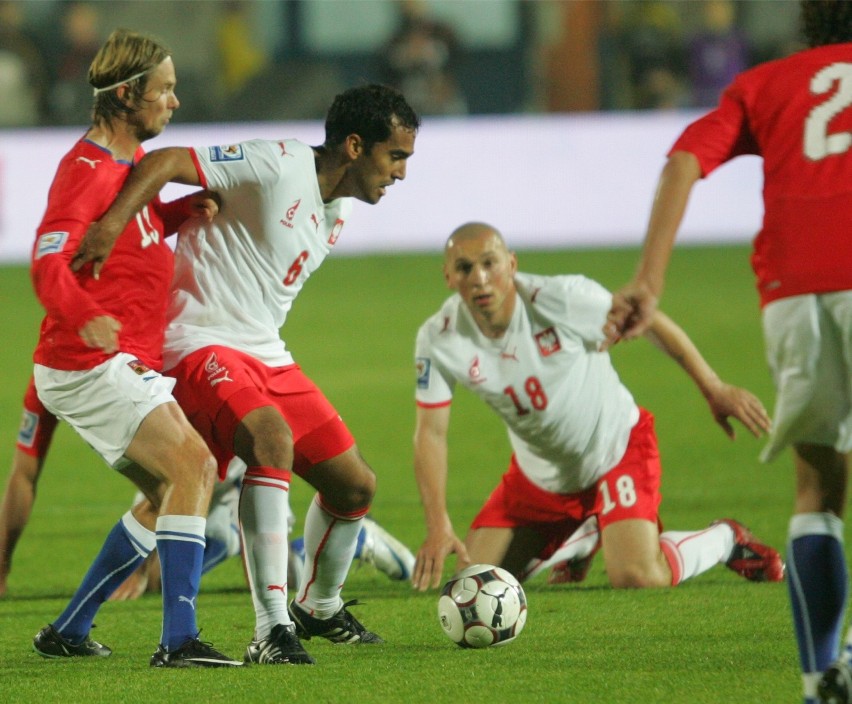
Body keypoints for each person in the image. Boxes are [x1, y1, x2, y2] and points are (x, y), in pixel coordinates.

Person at [72, 84, 420, 665]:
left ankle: (321, 605)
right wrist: (111, 225)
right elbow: (164, 161)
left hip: (264, 353)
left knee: (354, 485)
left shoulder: (340, 210)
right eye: (396, 156)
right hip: (196, 343)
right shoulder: (275, 162)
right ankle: (270, 629)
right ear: (355, 146)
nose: (402, 173)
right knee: (269, 440)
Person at [604, 3, 852, 702]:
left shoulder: (767, 82)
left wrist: (649, 279)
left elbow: (685, 158)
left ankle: (818, 679)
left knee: (818, 494)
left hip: (792, 292)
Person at [411, 222, 785, 596]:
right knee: (470, 586)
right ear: (448, 276)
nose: (479, 278)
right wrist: (438, 524)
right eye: (464, 268)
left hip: (615, 451)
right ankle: (582, 536)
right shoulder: (440, 338)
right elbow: (431, 432)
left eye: (489, 263)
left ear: (511, 264)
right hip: (538, 478)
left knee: (638, 575)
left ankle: (724, 539)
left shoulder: (564, 299)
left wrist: (714, 387)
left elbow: (650, 322)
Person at [28, 28, 240, 668]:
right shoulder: (87, 169)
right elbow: (46, 260)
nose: (173, 102)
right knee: (197, 466)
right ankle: (179, 640)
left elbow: (127, 233)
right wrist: (83, 313)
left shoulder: (120, 168)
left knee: (163, 494)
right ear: (126, 96)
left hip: (109, 363)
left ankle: (68, 630)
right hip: (88, 362)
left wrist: (178, 214)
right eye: (164, 91)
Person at [2, 385, 415, 601]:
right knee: (166, 577)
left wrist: (140, 553)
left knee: (280, 580)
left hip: (229, 459)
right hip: (183, 470)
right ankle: (225, 533)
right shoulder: (55, 378)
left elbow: (177, 464)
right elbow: (23, 474)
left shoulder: (134, 356)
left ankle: (356, 537)